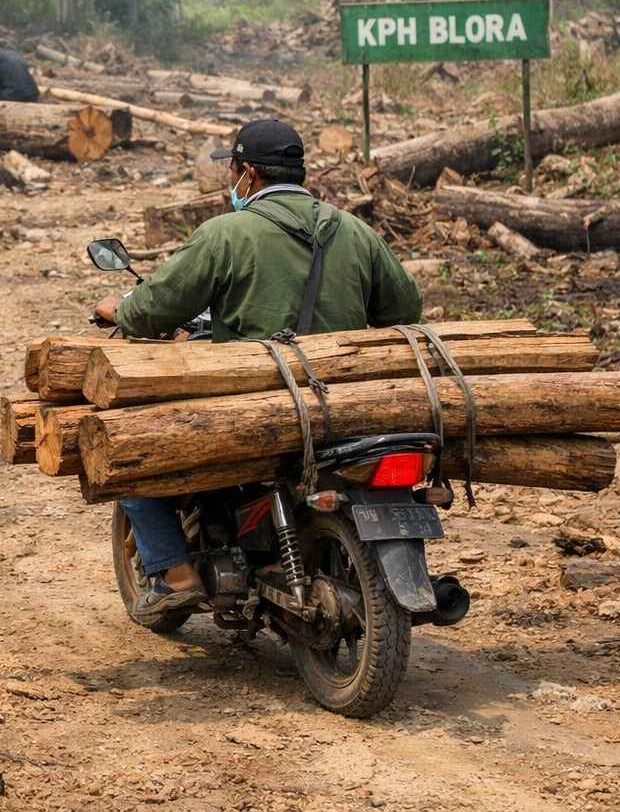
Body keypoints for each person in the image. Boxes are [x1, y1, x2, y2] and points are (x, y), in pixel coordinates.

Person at [92, 118, 423, 617]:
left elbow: (153, 310)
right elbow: (404, 310)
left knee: (136, 455)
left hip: (257, 411)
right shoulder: (354, 230)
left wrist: (118, 308)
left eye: (234, 172)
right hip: (346, 406)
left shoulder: (226, 233)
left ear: (247, 173)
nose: (232, 182)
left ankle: (177, 575)